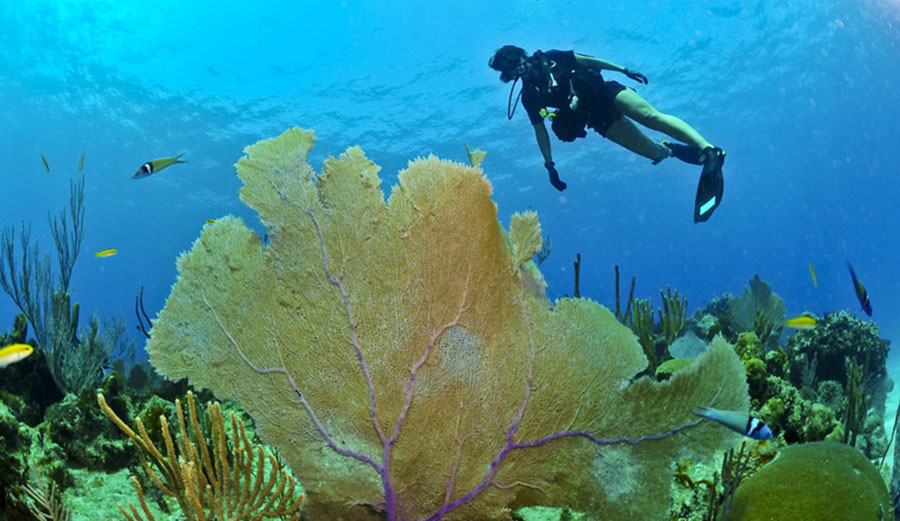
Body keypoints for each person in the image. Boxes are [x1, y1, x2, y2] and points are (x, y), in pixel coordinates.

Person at [488, 45, 726, 222]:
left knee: (651, 117)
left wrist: (624, 70)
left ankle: (709, 150)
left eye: (516, 60)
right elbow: (540, 131)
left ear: (521, 55)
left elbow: (588, 61)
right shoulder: (530, 96)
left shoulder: (551, 58)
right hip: (597, 119)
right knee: (653, 152)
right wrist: (549, 165)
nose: (520, 67)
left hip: (607, 92)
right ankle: (671, 149)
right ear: (508, 75)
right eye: (511, 68)